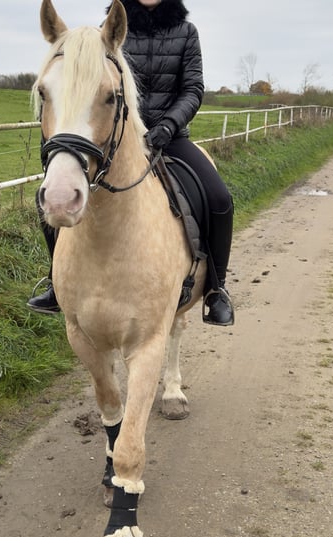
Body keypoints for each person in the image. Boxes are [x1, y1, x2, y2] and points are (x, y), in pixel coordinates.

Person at [28, 0, 235, 326]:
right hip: (118, 139)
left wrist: (168, 125)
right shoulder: (106, 34)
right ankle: (57, 283)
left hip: (169, 137)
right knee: (52, 197)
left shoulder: (185, 32)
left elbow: (193, 88)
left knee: (220, 199)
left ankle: (215, 289)